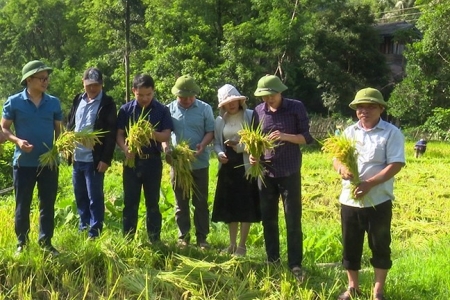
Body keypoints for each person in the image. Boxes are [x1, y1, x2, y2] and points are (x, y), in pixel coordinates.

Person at [333, 88, 405, 300]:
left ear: (381, 108)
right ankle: (353, 287)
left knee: (380, 245)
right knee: (350, 245)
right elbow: (336, 158)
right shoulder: (348, 132)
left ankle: (378, 291)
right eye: (360, 107)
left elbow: (396, 164)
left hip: (378, 200)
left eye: (371, 106)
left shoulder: (391, 133)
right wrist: (341, 169)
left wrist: (370, 183)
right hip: (350, 200)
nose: (365, 110)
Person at [250, 75, 313, 280]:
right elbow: (255, 140)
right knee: (268, 219)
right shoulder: (259, 112)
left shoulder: (296, 107)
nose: (268, 100)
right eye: (264, 97)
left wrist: (284, 136)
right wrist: (254, 155)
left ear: (280, 92)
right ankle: (272, 259)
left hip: (289, 170)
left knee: (292, 219)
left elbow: (306, 138)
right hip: (266, 172)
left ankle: (295, 263)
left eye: (271, 96)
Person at [1, 60, 63, 255]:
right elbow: (3, 128)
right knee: (23, 204)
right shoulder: (14, 102)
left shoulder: (53, 102)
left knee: (47, 203)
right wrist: (18, 141)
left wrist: (59, 149)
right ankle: (22, 243)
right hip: (24, 163)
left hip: (48, 163)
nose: (46, 81)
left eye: (47, 78)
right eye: (42, 78)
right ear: (29, 80)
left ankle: (46, 243)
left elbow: (59, 132)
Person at [116, 74, 173, 243]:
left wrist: (151, 133)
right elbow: (119, 135)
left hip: (153, 161)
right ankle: (128, 239)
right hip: (132, 162)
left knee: (153, 203)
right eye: (141, 95)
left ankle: (154, 239)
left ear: (153, 91)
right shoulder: (126, 110)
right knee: (130, 202)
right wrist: (125, 148)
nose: (145, 98)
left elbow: (166, 135)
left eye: (148, 94)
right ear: (134, 91)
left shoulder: (162, 110)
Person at [163, 75, 215, 249]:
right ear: (177, 95)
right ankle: (183, 237)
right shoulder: (168, 109)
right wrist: (166, 148)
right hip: (178, 165)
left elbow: (210, 132)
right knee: (181, 202)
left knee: (200, 202)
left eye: (190, 97)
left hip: (199, 162)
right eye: (182, 97)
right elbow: (164, 134)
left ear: (195, 94)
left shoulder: (205, 109)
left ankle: (202, 238)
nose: (186, 100)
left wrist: (203, 144)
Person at [66, 67, 117, 239]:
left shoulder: (107, 104)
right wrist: (67, 146)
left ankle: (95, 232)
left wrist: (105, 159)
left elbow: (110, 135)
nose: (92, 89)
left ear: (102, 85)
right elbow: (70, 123)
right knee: (80, 196)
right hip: (77, 157)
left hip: (94, 159)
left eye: (95, 85)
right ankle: (83, 227)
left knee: (94, 197)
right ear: (83, 83)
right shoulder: (77, 100)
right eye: (89, 85)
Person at [211, 84, 261, 257]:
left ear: (240, 101)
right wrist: (219, 153)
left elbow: (256, 141)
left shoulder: (250, 115)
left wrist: (238, 146)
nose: (231, 105)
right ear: (223, 105)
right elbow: (217, 142)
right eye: (227, 102)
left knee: (245, 206)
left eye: (234, 101)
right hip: (228, 168)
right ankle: (232, 244)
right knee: (231, 207)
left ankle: (242, 246)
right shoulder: (220, 121)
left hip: (246, 165)